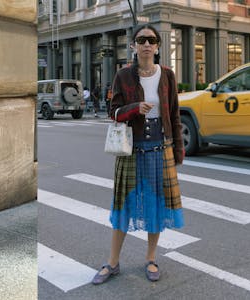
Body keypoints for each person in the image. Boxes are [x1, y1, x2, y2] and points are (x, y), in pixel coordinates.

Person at [92, 24, 184, 284]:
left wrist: (178, 149)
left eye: (151, 40)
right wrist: (134, 108)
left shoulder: (167, 75)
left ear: (157, 46)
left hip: (160, 147)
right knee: (123, 206)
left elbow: (175, 115)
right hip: (131, 149)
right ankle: (112, 262)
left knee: (155, 205)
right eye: (141, 40)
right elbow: (113, 112)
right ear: (133, 46)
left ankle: (151, 258)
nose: (146, 44)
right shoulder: (123, 75)